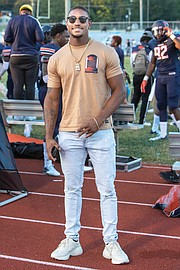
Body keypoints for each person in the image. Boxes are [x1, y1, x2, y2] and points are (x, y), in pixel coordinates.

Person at [44, 5, 129, 265]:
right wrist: (49, 137)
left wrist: (97, 120)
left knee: (107, 190)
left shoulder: (105, 52)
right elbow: (52, 99)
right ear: (66, 24)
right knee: (72, 188)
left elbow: (120, 91)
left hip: (101, 132)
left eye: (81, 19)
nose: (76, 22)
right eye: (72, 19)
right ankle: (72, 240)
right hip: (68, 132)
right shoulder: (57, 58)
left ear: (89, 23)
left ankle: (111, 242)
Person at [39, 23, 69, 176]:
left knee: (60, 125)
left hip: (54, 90)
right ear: (58, 36)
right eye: (66, 36)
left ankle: (61, 162)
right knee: (52, 126)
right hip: (49, 91)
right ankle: (47, 163)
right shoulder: (50, 48)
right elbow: (45, 76)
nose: (68, 38)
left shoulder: (58, 49)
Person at [141, 20, 180, 140]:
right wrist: (146, 78)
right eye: (155, 31)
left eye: (159, 30)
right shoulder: (153, 43)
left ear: (165, 30)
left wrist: (171, 35)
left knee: (173, 105)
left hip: (172, 75)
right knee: (161, 105)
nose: (157, 33)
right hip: (160, 76)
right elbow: (153, 62)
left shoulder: (173, 39)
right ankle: (163, 134)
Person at [4, 4, 44, 101]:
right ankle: (30, 113)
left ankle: (18, 114)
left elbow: (6, 38)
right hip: (31, 56)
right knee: (30, 84)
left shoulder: (12, 21)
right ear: (30, 12)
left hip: (16, 56)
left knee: (17, 84)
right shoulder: (34, 21)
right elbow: (40, 38)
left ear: (20, 12)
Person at [130, 30, 154, 124]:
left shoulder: (135, 49)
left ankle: (130, 119)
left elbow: (132, 63)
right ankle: (141, 120)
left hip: (136, 75)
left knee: (135, 98)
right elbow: (152, 63)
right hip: (146, 76)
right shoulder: (150, 50)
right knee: (145, 98)